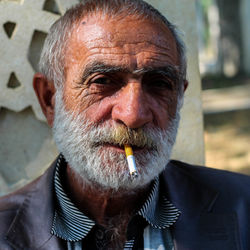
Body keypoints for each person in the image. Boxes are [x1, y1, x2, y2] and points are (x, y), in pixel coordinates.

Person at [0, 0, 250, 249]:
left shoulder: (243, 209)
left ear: (179, 98)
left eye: (159, 83)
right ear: (49, 99)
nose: (133, 115)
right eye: (103, 81)